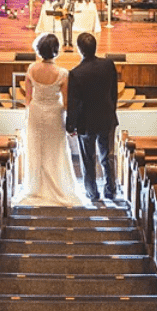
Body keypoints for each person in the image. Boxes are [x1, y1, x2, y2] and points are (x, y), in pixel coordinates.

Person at [16, 32, 88, 207]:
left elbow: (28, 99)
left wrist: (36, 107)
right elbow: (66, 103)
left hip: (35, 112)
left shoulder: (31, 69)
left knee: (36, 149)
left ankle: (35, 187)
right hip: (54, 114)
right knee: (56, 150)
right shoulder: (62, 73)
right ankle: (58, 187)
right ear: (56, 51)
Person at [65, 31, 120, 201]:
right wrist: (112, 111)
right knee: (107, 157)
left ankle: (92, 193)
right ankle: (110, 190)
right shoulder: (108, 65)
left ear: (79, 50)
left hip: (86, 122)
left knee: (88, 160)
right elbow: (114, 93)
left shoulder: (75, 73)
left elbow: (73, 104)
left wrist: (70, 126)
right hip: (106, 117)